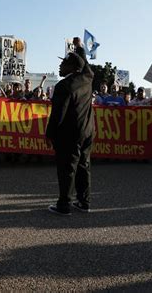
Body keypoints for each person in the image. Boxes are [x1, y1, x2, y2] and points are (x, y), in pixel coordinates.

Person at [46, 52, 94, 216]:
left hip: (69, 134)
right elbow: (86, 66)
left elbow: (57, 115)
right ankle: (83, 202)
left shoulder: (64, 86)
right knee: (83, 166)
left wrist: (50, 135)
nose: (60, 65)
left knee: (67, 169)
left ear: (73, 67)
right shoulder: (87, 78)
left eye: (64, 62)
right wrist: (79, 47)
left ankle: (64, 205)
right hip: (87, 132)